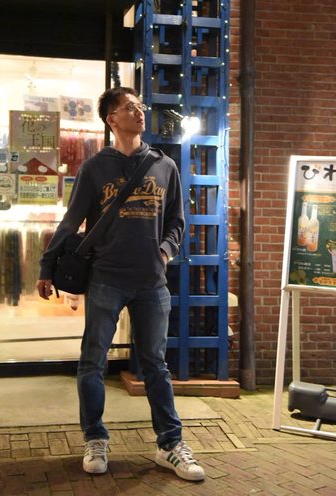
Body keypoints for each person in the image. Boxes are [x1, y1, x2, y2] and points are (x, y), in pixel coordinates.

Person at [36, 86, 205, 482]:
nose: (139, 111)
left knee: (156, 365)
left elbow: (177, 221)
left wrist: (164, 252)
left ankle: (170, 444)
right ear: (112, 119)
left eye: (140, 106)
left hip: (151, 283)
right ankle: (95, 438)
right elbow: (71, 220)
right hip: (106, 279)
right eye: (130, 107)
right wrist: (46, 266)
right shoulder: (96, 168)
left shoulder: (164, 166)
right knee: (92, 361)